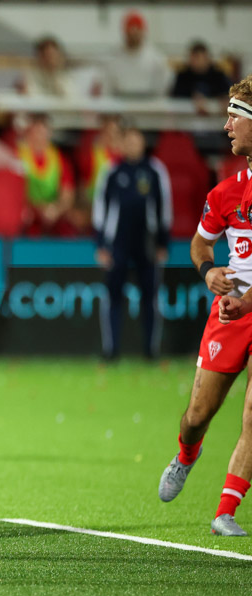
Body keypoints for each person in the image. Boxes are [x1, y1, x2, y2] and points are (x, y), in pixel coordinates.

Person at [189, 74, 252, 536]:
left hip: (244, 307)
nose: (226, 125)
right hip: (231, 312)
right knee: (198, 416)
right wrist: (209, 270)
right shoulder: (225, 192)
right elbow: (199, 244)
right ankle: (186, 453)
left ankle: (225, 511)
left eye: (234, 115)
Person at [94, 125, 172, 360]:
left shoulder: (155, 170)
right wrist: (100, 244)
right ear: (122, 144)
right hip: (117, 243)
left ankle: (151, 351)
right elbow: (100, 209)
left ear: (142, 143)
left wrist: (162, 243)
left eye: (136, 141)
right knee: (113, 296)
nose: (132, 146)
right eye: (127, 141)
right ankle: (111, 351)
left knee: (150, 297)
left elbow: (164, 209)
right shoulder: (112, 170)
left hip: (146, 244)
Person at [18, 114, 78, 236]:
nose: (39, 138)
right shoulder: (18, 156)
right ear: (29, 134)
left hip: (52, 215)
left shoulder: (60, 159)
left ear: (49, 134)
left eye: (43, 133)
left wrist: (56, 209)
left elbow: (68, 195)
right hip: (27, 214)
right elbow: (12, 192)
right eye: (36, 133)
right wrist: (36, 209)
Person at [102, 11, 173, 99]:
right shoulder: (114, 59)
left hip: (149, 107)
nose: (133, 36)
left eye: (136, 33)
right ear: (125, 33)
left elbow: (164, 87)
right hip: (120, 106)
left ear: (143, 32)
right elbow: (107, 89)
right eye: (130, 33)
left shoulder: (156, 59)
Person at [171, 41, 233, 110]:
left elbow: (230, 92)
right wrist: (193, 96)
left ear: (207, 58)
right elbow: (174, 96)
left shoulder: (217, 75)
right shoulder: (183, 75)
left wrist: (222, 97)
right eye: (193, 58)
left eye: (198, 58)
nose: (196, 62)